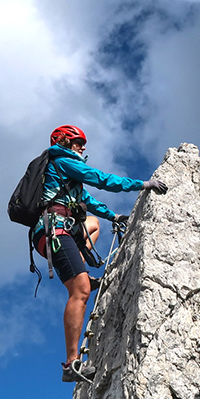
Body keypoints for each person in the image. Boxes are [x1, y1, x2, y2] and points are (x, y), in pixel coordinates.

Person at [33, 125, 167, 383]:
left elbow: (88, 201)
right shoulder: (63, 162)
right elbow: (101, 179)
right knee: (81, 292)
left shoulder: (66, 175)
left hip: (60, 231)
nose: (83, 147)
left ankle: (80, 272)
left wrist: (114, 216)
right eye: (78, 142)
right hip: (55, 232)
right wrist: (142, 184)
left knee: (93, 222)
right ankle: (71, 365)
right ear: (64, 141)